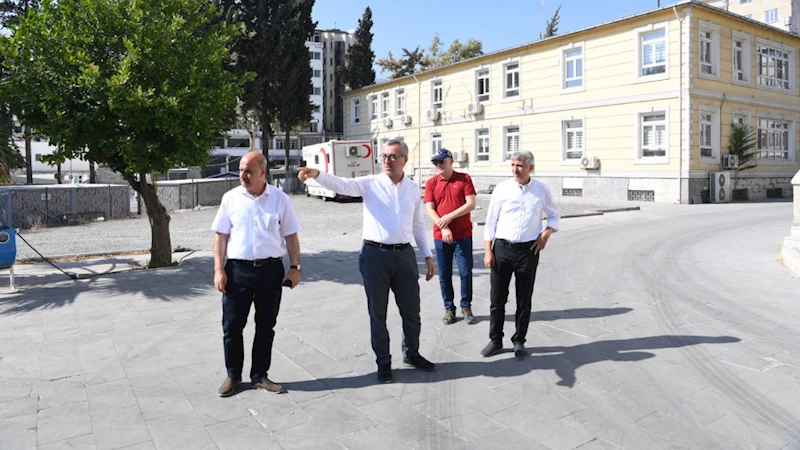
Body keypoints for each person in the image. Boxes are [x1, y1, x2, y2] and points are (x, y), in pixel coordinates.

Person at [298, 139, 436, 384]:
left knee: (411, 311)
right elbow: (342, 184)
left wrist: (427, 254)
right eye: (384, 156)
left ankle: (412, 354)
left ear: (405, 160)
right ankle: (383, 363)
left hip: (405, 256)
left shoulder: (413, 189)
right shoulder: (371, 184)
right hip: (375, 256)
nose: (387, 161)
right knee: (377, 314)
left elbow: (417, 225)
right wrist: (318, 174)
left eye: (392, 156)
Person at [211, 151, 302, 397]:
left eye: (248, 171)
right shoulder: (230, 198)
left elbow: (291, 236)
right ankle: (233, 376)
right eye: (241, 170)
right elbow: (220, 237)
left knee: (266, 326)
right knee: (232, 326)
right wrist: (219, 270)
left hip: (270, 272)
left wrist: (295, 268)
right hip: (237, 272)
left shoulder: (280, 199)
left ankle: (260, 375)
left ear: (263, 172)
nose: (243, 175)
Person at [481, 150, 560, 360]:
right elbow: (491, 221)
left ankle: (519, 340)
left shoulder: (541, 190)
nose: (515, 170)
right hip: (502, 249)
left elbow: (554, 215)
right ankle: (495, 340)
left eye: (520, 166)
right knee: (497, 298)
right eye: (513, 165)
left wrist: (546, 234)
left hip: (528, 251)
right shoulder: (502, 189)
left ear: (530, 168)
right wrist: (488, 250)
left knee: (524, 298)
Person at [424, 148, 477, 325]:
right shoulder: (431, 183)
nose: (438, 165)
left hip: (462, 235)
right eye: (435, 162)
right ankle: (449, 308)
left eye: (441, 161)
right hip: (441, 236)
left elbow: (471, 204)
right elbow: (430, 209)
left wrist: (449, 216)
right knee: (444, 274)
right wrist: (444, 226)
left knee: (465, 272)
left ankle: (466, 306)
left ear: (451, 162)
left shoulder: (464, 179)